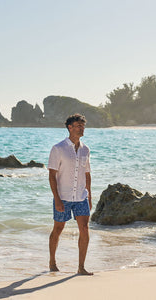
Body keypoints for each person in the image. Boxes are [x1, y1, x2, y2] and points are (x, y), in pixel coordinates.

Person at [48, 113, 93, 275]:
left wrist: (89, 196)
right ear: (70, 128)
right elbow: (52, 175)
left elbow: (87, 174)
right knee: (58, 229)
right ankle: (52, 261)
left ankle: (81, 267)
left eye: (83, 126)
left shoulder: (85, 150)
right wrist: (57, 199)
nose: (82, 129)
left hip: (81, 197)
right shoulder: (58, 148)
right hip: (63, 197)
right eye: (78, 126)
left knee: (85, 229)